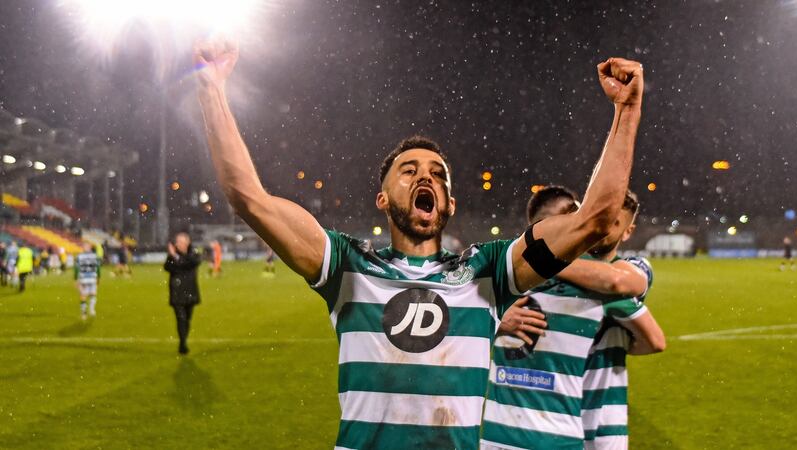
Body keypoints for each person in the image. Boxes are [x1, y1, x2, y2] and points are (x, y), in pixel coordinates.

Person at [194, 37, 644, 448]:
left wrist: (627, 110)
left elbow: (596, 218)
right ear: (383, 198)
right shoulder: (347, 266)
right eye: (409, 170)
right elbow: (248, 197)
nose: (426, 175)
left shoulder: (488, 271)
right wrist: (211, 85)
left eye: (438, 174)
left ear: (449, 204)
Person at [483, 188, 664, 450]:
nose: (589, 226)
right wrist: (498, 315)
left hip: (596, 421)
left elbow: (621, 286)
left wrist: (541, 258)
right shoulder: (505, 282)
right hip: (537, 429)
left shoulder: (610, 281)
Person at [164, 232, 202, 355]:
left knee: (187, 319)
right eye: (177, 242)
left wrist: (176, 257)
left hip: (190, 291)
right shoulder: (172, 256)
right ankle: (182, 343)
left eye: (180, 241)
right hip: (177, 292)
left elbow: (190, 263)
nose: (178, 244)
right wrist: (175, 258)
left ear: (187, 242)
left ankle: (183, 340)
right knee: (181, 318)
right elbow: (167, 267)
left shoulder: (193, 254)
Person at [74, 242, 101, 320]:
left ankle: (84, 313)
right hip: (92, 277)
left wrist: (76, 279)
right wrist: (99, 277)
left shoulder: (79, 256)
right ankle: (91, 310)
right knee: (92, 294)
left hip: (84, 278)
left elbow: (76, 268)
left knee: (83, 295)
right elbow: (98, 267)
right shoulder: (95, 256)